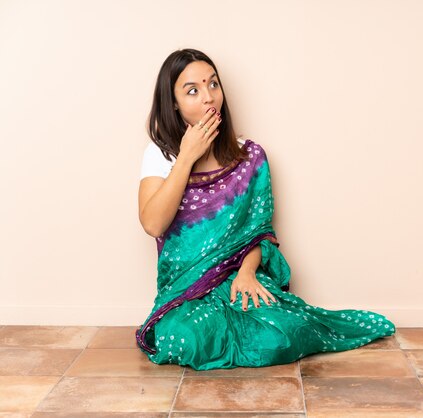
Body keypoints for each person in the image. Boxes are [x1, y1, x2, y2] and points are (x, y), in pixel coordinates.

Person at [135, 48, 396, 370]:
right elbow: (153, 224)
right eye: (193, 90)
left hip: (238, 275)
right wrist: (187, 156)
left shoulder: (248, 155)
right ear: (173, 103)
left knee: (286, 333)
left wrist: (246, 273)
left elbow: (258, 231)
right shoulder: (161, 154)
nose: (208, 97)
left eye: (213, 84)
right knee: (185, 340)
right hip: (186, 289)